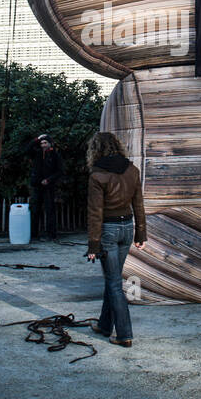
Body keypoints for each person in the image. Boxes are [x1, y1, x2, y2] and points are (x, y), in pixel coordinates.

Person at [84, 132, 147, 347]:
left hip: (108, 231)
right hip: (127, 228)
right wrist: (141, 234)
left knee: (113, 283)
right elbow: (138, 205)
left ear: (96, 149)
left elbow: (95, 213)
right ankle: (104, 325)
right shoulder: (132, 170)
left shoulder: (97, 175)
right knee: (112, 279)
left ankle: (124, 334)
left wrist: (93, 244)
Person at [27, 133, 64, 241]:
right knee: (35, 210)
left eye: (45, 143)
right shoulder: (37, 153)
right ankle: (34, 234)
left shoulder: (55, 155)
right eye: (41, 143)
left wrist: (49, 180)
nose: (43, 145)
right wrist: (37, 139)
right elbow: (27, 150)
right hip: (37, 185)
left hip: (48, 186)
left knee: (50, 210)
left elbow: (60, 171)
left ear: (49, 143)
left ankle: (51, 234)